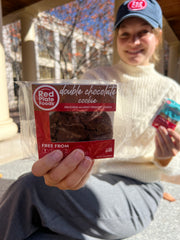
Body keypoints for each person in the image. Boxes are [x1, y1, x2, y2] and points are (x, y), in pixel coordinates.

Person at [1, 0, 180, 239]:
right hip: (87, 180)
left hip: (137, 191)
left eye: (142, 32)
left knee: (29, 187)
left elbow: (174, 171)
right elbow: (77, 136)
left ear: (157, 36)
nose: (133, 42)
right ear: (116, 37)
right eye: (124, 34)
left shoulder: (171, 92)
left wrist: (165, 157)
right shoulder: (96, 78)